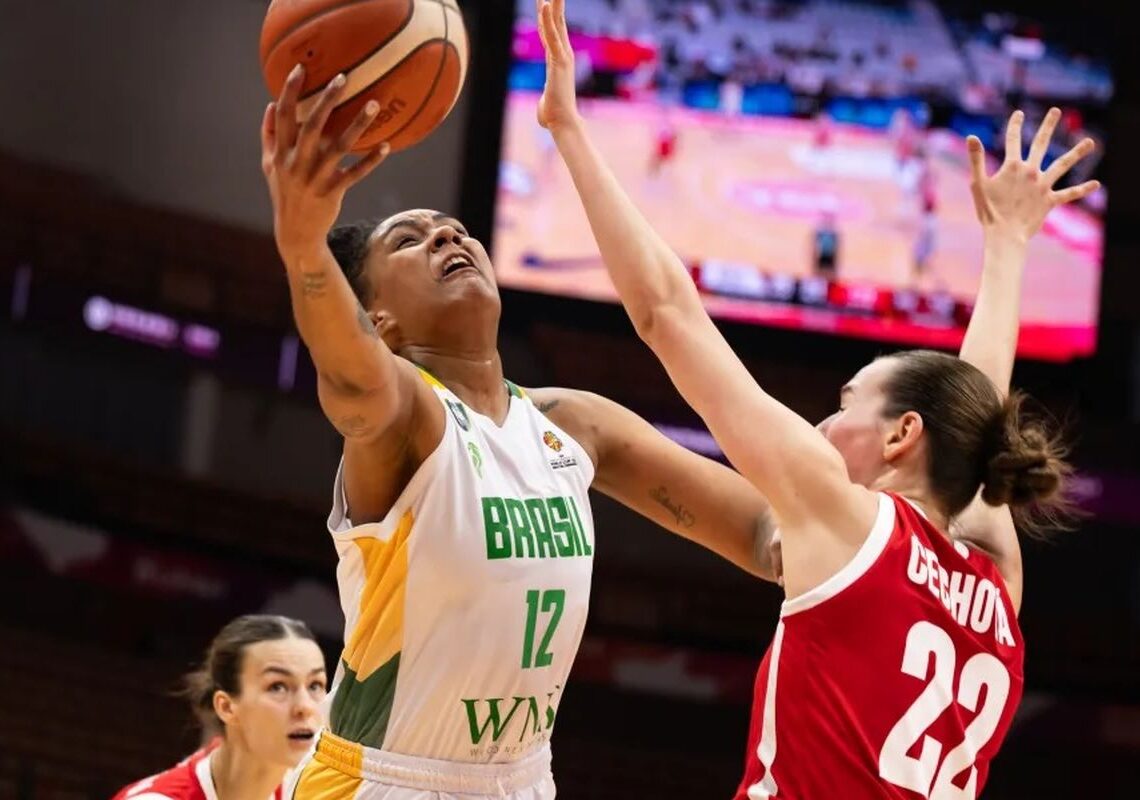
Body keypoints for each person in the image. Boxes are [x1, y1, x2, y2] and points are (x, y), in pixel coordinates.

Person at [532, 3, 1100, 795]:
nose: (825, 423)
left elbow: (667, 312)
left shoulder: (850, 521)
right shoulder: (997, 587)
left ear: (903, 435)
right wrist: (1005, 246)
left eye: (846, 401)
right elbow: (978, 411)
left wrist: (570, 131)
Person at [259, 49, 781, 800]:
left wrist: (860, 542)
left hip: (522, 780)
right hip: (384, 782)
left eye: (453, 228)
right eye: (409, 240)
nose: (446, 237)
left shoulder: (573, 424)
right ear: (377, 319)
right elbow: (349, 376)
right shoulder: (408, 418)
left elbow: (763, 533)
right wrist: (304, 246)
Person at [112, 615, 327, 800]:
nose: (305, 707)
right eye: (277, 686)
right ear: (226, 707)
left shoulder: (315, 789)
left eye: (315, 685)